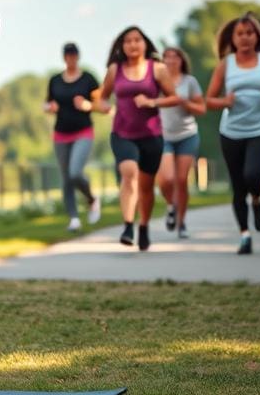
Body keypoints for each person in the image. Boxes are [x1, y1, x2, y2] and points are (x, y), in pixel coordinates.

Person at [204, 12, 260, 255]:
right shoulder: (225, 65)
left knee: (252, 174)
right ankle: (244, 235)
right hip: (231, 132)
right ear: (233, 38)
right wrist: (225, 102)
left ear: (257, 36)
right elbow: (209, 100)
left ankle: (258, 201)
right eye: (240, 34)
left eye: (250, 33)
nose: (245, 38)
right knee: (238, 187)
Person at [91, 27, 177, 251]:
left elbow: (174, 98)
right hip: (122, 133)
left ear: (145, 44)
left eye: (137, 40)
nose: (132, 45)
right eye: (127, 41)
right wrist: (104, 106)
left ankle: (144, 226)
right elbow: (102, 99)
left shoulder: (157, 69)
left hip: (151, 135)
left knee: (147, 188)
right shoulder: (114, 70)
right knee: (129, 174)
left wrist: (152, 103)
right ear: (122, 46)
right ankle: (128, 226)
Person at [44, 42, 102, 231]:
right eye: (67, 55)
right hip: (61, 134)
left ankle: (92, 199)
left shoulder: (88, 79)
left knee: (75, 172)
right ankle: (74, 218)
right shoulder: (55, 80)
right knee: (66, 178)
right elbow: (47, 104)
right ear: (64, 58)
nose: (70, 58)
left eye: (73, 55)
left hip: (83, 132)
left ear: (78, 56)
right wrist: (50, 108)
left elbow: (102, 104)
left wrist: (88, 105)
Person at [156, 47, 205, 239]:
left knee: (182, 180)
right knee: (166, 179)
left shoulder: (189, 81)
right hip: (163, 136)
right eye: (166, 57)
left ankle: (182, 222)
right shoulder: (158, 81)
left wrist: (186, 104)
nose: (170, 60)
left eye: (175, 57)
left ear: (181, 60)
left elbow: (202, 108)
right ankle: (171, 206)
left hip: (187, 135)